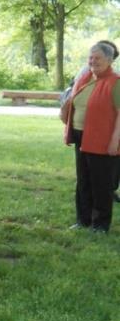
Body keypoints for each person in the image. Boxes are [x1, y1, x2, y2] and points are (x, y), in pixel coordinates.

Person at [64, 41, 120, 233]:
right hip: (81, 135)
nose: (93, 61)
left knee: (101, 184)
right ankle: (83, 220)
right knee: (83, 181)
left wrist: (115, 140)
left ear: (109, 60)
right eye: (90, 57)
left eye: (98, 58)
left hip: (102, 138)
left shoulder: (116, 81)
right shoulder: (86, 77)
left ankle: (101, 224)